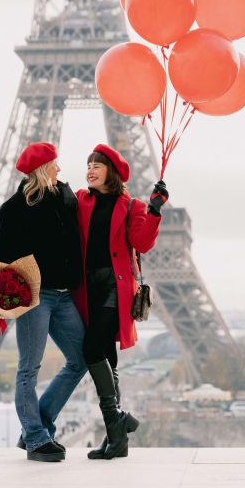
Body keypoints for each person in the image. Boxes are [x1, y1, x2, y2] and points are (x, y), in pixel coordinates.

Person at [72, 143, 168, 460]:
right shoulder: (79, 201)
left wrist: (153, 210)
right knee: (107, 359)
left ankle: (116, 423)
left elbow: (141, 243)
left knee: (90, 348)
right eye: (88, 164)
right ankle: (118, 438)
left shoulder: (131, 206)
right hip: (89, 288)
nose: (90, 170)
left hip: (116, 285)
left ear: (111, 171)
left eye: (96, 165)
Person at [0, 142, 87, 462]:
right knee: (28, 369)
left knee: (81, 358)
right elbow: (3, 262)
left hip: (63, 295)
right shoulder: (14, 209)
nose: (60, 169)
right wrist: (3, 306)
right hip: (35, 296)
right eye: (54, 164)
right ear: (41, 169)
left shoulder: (66, 199)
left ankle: (39, 425)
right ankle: (35, 438)